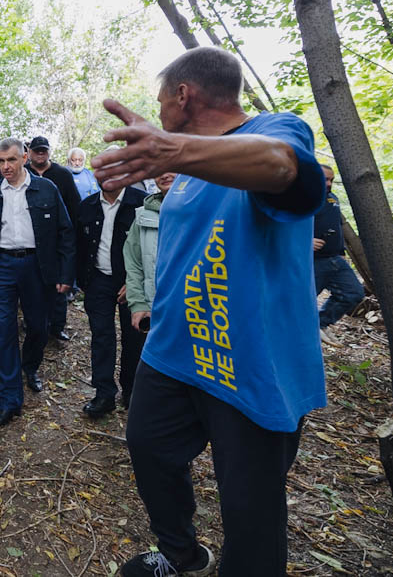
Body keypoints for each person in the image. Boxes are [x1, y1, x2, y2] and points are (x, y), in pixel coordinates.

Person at [93, 47, 325, 577]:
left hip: (249, 362)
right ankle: (181, 553)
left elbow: (283, 167)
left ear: (183, 95)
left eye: (160, 99)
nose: (158, 111)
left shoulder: (274, 130)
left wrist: (173, 150)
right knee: (148, 447)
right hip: (175, 352)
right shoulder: (183, 167)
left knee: (251, 509)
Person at [0, 138, 75, 429]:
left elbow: (65, 233)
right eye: (1, 161)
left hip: (37, 267)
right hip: (1, 267)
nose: (6, 166)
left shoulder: (46, 189)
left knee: (38, 327)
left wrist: (66, 275)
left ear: (24, 158)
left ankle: (29, 367)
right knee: (5, 331)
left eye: (11, 160)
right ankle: (9, 400)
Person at [76, 179, 147, 416]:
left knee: (134, 338)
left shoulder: (140, 203)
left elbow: (151, 248)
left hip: (132, 283)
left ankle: (132, 390)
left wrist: (135, 282)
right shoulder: (87, 206)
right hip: (98, 280)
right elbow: (79, 245)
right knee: (101, 337)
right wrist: (83, 280)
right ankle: (104, 394)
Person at [27, 136, 81, 342]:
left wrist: (72, 236)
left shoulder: (63, 174)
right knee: (32, 285)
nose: (40, 154)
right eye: (36, 150)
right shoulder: (22, 172)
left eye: (44, 150)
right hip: (29, 239)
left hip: (56, 239)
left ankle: (57, 326)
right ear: (29, 152)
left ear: (49, 152)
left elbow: (74, 207)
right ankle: (32, 322)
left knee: (58, 286)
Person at [313, 164, 364, 345]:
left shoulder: (332, 198)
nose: (329, 183)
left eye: (331, 180)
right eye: (324, 179)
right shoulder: (302, 199)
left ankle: (320, 323)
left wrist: (341, 251)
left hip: (335, 259)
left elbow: (336, 226)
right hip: (312, 261)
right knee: (301, 303)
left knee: (353, 293)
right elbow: (284, 227)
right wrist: (305, 242)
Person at [123, 172, 178, 335]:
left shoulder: (204, 212)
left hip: (192, 311)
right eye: (158, 170)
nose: (164, 175)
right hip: (153, 308)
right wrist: (138, 304)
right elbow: (133, 264)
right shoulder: (143, 216)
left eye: (171, 168)